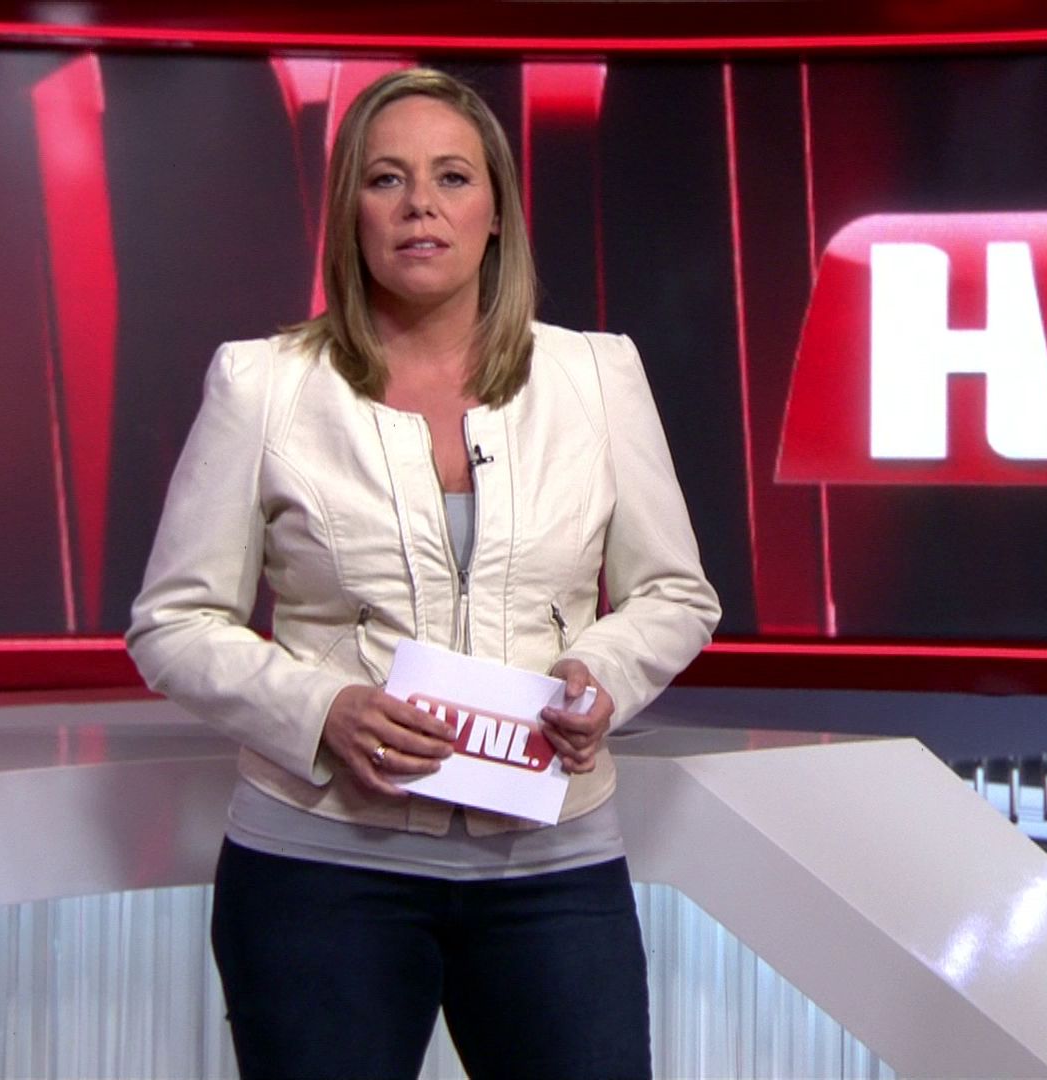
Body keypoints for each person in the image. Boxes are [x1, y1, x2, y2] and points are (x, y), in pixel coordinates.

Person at [127, 67, 719, 1080]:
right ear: (349, 213)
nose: (419, 207)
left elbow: (675, 593)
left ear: (497, 215)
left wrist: (602, 675)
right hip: (320, 874)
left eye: (452, 177)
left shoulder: (596, 376)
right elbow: (173, 623)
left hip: (551, 872)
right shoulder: (263, 384)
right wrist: (321, 711)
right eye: (386, 179)